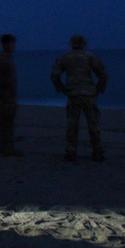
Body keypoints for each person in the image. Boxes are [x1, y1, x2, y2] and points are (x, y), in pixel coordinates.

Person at [50, 34, 108, 162]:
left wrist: (62, 88)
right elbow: (103, 75)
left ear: (71, 44)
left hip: (73, 94)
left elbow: (54, 75)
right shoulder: (90, 56)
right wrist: (98, 89)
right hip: (88, 94)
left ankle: (71, 152)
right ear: (84, 44)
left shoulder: (65, 57)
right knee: (93, 125)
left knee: (72, 125)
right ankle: (97, 152)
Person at [0, 33, 24, 156]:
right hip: (6, 95)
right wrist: (5, 83)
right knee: (6, 122)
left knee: (7, 122)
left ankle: (6, 147)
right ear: (5, 44)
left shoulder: (7, 58)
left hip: (9, 94)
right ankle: (7, 148)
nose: (14, 46)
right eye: (12, 43)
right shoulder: (2, 58)